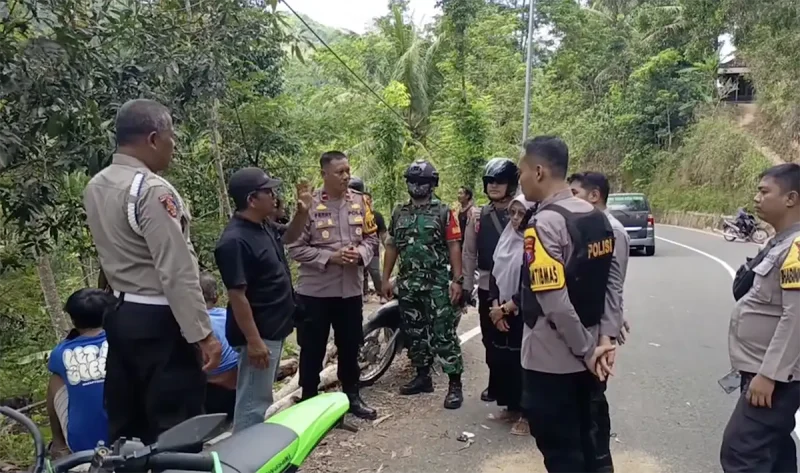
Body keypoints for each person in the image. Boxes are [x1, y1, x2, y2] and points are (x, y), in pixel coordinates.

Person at [83, 99, 222, 445]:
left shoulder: (97, 185)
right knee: (177, 426)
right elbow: (175, 270)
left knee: (128, 427)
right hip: (160, 320)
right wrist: (202, 334)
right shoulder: (150, 190)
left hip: (120, 314)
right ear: (153, 138)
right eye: (171, 137)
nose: (173, 146)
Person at [516, 136, 619, 473]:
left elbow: (555, 303)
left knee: (562, 452)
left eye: (523, 172)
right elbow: (611, 284)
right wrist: (604, 340)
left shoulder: (543, 224)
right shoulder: (597, 217)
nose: (521, 180)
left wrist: (587, 351)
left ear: (540, 171)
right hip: (591, 355)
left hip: (553, 360)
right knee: (593, 444)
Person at [215, 167, 311, 432]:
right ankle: (247, 458)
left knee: (260, 397)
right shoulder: (234, 241)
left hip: (274, 327)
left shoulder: (263, 226)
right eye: (268, 192)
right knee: (253, 404)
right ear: (251, 199)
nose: (274, 196)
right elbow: (237, 295)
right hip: (258, 333)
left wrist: (303, 212)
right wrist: (254, 341)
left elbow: (290, 236)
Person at [287, 151, 379, 420]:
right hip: (315, 293)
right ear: (324, 174)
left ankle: (351, 397)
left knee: (350, 346)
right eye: (339, 172)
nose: (346, 176)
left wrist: (360, 254)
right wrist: (330, 257)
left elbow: (372, 240)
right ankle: (308, 403)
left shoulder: (361, 202)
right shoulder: (309, 205)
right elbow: (295, 248)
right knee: (312, 349)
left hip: (349, 291)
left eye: (348, 170)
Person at [721, 163, 800, 472]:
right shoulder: (780, 241)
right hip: (767, 370)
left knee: (742, 451)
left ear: (791, 198)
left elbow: (796, 317)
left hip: (777, 375)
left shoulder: (796, 247)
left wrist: (769, 375)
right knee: (775, 450)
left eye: (764, 191)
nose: (756, 198)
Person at [381, 159, 466, 409]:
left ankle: (454, 385)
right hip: (409, 284)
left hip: (437, 285)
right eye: (412, 181)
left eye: (422, 182)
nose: (416, 186)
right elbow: (392, 245)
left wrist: (457, 280)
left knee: (444, 335)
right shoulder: (399, 212)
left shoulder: (443, 212)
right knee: (415, 333)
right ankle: (422, 377)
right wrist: (386, 278)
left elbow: (454, 246)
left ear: (432, 184)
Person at [568, 171, 631, 471]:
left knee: (593, 400)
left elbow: (613, 285)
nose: (570, 199)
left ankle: (600, 464)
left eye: (575, 193)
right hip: (588, 324)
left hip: (598, 330)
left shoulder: (612, 231)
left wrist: (609, 332)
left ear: (594, 196)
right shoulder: (589, 226)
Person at [462, 157, 519, 404]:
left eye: (500, 181)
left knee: (517, 342)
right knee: (490, 340)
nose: (494, 186)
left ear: (512, 184)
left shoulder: (523, 212)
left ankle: (519, 395)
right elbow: (469, 252)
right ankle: (496, 385)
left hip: (517, 287)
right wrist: (465, 286)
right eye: (490, 182)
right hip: (487, 285)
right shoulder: (478, 217)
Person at [486, 195, 536, 435]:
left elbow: (531, 284)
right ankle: (511, 406)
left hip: (524, 313)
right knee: (504, 361)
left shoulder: (534, 243)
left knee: (525, 365)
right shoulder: (505, 239)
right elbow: (495, 274)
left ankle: (527, 415)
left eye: (521, 214)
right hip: (502, 311)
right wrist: (496, 308)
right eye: (512, 213)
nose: (515, 219)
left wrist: (506, 308)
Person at [47, 289, 115, 457]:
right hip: (133, 438)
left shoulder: (60, 353)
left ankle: (59, 445)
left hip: (82, 446)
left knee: (56, 380)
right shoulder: (125, 339)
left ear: (73, 320)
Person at [199, 272, 239, 422]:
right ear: (215, 297)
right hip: (237, 391)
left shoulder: (193, 327)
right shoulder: (227, 315)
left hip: (216, 397)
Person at [349, 177, 388, 302]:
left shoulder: (376, 216)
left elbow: (382, 234)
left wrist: (388, 248)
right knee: (362, 274)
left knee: (375, 272)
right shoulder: (349, 213)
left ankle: (381, 293)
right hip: (355, 249)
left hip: (372, 250)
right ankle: (364, 293)